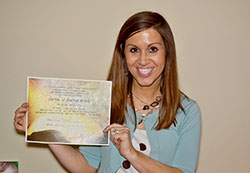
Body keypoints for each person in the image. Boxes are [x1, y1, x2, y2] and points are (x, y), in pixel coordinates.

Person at [14, 11, 201, 173]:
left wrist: (132, 154)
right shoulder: (104, 102)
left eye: (152, 49)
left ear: (167, 52)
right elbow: (87, 167)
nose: (143, 60)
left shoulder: (187, 111)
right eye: (134, 50)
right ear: (123, 53)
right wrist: (44, 129)